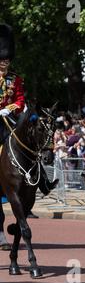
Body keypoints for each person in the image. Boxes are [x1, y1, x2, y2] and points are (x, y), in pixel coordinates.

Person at [0, 24, 58, 202]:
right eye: (2, 60)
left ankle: (44, 183)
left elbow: (19, 100)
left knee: (30, 145)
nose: (4, 63)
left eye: (7, 61)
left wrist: (8, 109)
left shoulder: (15, 79)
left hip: (9, 117)